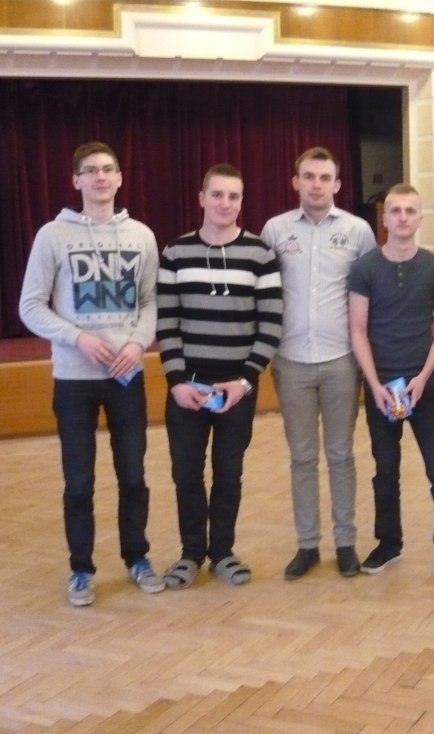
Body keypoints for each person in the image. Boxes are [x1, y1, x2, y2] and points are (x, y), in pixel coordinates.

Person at [18, 141, 163, 607]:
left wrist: (138, 343)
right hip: (74, 379)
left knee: (133, 475)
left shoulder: (141, 235)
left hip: (126, 376)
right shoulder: (52, 236)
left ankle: (137, 557)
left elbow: (150, 301)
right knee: (79, 482)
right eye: (90, 170)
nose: (100, 177)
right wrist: (77, 338)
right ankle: (81, 569)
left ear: (120, 178)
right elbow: (30, 306)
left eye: (108, 169)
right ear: (76, 180)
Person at [156, 164, 283, 589]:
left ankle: (223, 553)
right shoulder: (175, 252)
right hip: (187, 388)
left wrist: (245, 381)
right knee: (186, 474)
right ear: (201, 198)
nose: (225, 203)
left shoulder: (261, 254)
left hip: (236, 388)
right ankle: (191, 554)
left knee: (229, 473)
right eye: (217, 194)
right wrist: (176, 382)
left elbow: (271, 325)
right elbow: (166, 323)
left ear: (241, 202)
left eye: (233, 196)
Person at [261, 147, 377, 580]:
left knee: (341, 455)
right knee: (302, 458)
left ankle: (345, 542)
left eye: (324, 177)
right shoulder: (275, 230)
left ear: (337, 184)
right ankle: (307, 544)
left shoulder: (358, 231)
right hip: (290, 361)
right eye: (308, 176)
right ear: (295, 182)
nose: (316, 184)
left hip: (341, 361)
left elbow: (372, 293)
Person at [348, 184, 434, 586]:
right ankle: (388, 543)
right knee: (385, 473)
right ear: (384, 218)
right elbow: (358, 329)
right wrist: (375, 384)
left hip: (423, 389)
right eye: (395, 210)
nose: (402, 217)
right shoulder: (364, 268)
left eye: (410, 211)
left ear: (420, 218)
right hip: (381, 391)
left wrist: (422, 377)